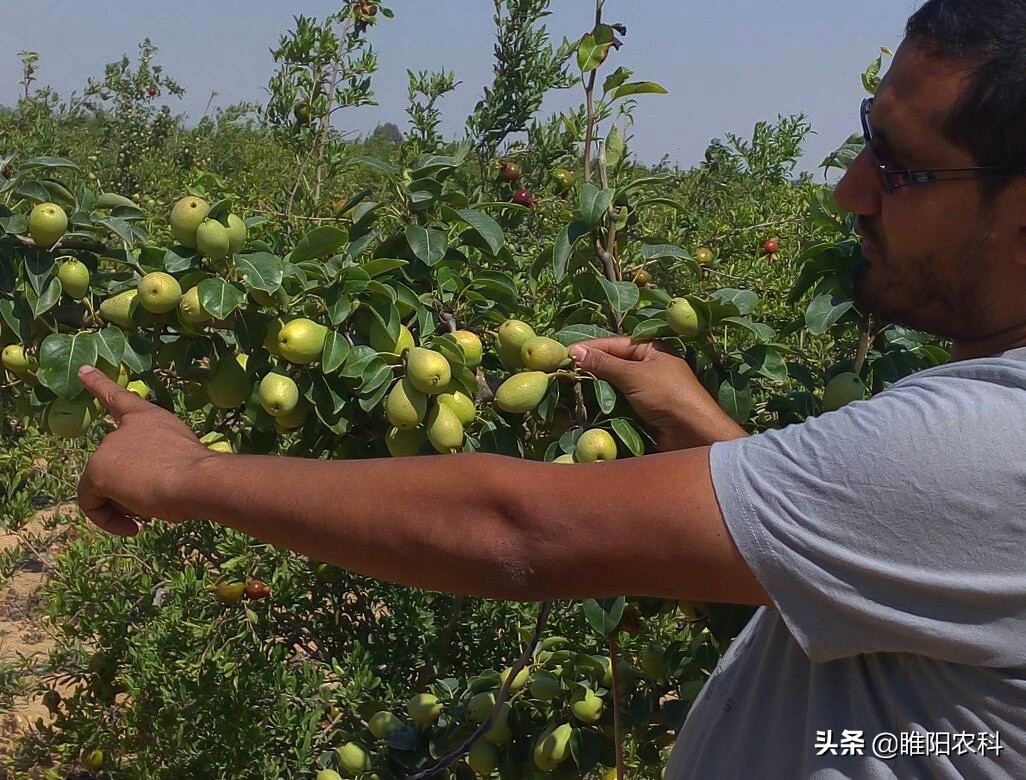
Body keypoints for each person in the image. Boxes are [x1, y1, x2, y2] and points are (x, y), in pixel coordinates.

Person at [74, 0, 1026, 776]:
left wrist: (187, 474)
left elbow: (522, 533)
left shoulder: (978, 440)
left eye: (899, 167)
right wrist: (710, 435)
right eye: (867, 138)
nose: (850, 189)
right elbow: (871, 579)